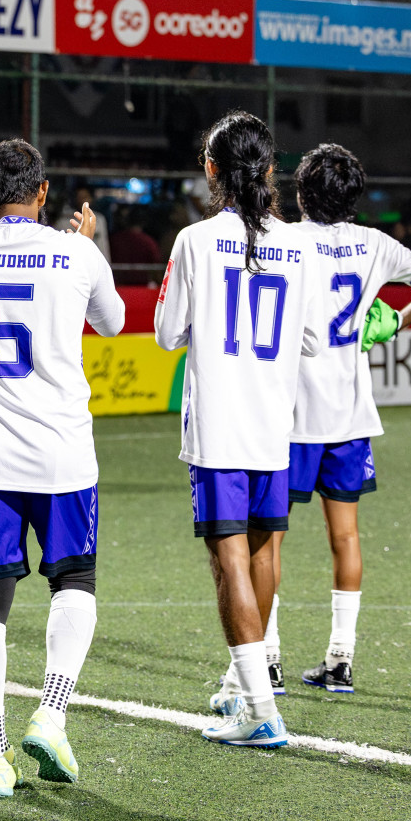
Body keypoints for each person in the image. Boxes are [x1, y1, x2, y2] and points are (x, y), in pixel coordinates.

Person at [0, 139, 123, 797]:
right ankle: (51, 710)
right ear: (44, 193)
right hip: (61, 451)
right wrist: (83, 246)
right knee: (74, 580)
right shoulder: (77, 252)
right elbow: (114, 320)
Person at [153, 110, 322, 749]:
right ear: (271, 169)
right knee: (263, 553)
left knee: (228, 563)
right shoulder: (298, 244)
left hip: (220, 425)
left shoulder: (194, 241)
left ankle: (258, 708)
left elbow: (169, 333)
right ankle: (241, 683)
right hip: (274, 422)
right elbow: (308, 338)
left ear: (211, 169)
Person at [271, 144, 411, 694]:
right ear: (355, 198)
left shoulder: (285, 238)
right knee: (346, 536)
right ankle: (340, 661)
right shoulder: (374, 243)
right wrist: (396, 320)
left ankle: (270, 661)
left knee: (268, 539)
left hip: (291, 416)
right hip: (350, 417)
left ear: (301, 193)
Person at [109, 206, 162, 286]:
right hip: (139, 289)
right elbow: (156, 272)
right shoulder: (149, 242)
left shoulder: (114, 240)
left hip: (119, 288)